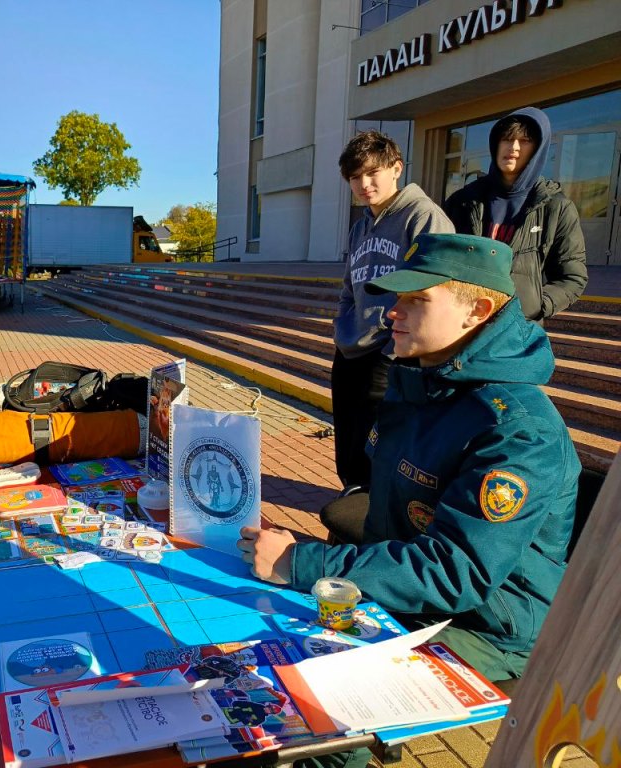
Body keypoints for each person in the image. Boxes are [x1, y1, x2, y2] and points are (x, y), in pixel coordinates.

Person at [238, 233, 580, 768]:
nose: (391, 311)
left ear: (478, 310)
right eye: (396, 296)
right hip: (403, 596)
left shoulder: (516, 432)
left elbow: (456, 572)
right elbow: (388, 516)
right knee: (250, 660)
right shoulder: (421, 383)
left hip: (485, 624)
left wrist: (302, 562)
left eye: (416, 299)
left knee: (319, 724)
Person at [331, 131, 453, 492]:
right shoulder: (360, 227)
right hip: (351, 349)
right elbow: (349, 287)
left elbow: (435, 291)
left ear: (396, 168)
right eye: (355, 177)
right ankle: (348, 507)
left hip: (391, 354)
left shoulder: (425, 218)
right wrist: (342, 329)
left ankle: (370, 523)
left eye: (372, 173)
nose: (364, 184)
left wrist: (396, 351)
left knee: (376, 449)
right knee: (348, 445)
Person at [443, 106, 587, 322]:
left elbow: (572, 277)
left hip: (516, 331)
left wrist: (535, 305)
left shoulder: (556, 207)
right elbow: (441, 260)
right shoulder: (464, 201)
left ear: (538, 149)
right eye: (507, 139)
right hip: (463, 322)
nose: (513, 147)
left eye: (525, 141)